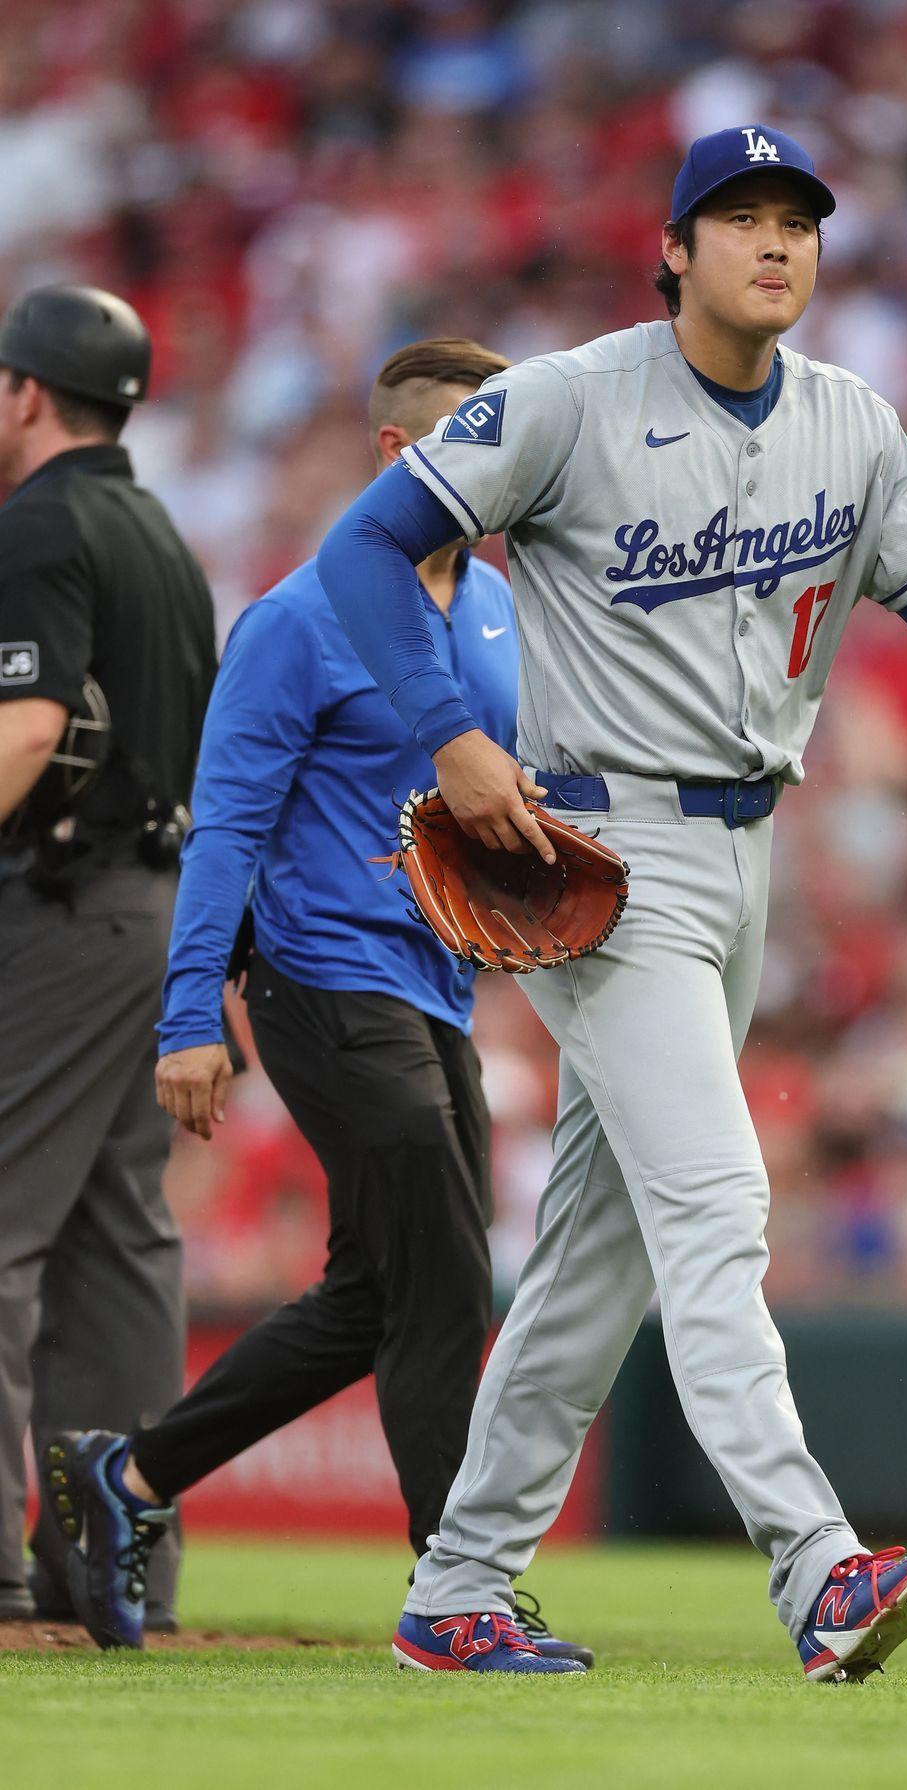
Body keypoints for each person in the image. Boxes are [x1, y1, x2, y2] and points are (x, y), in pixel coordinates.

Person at [315, 124, 907, 1684]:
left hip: (749, 845)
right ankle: (821, 1571)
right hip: (604, 853)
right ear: (677, 247)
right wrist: (452, 734)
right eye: (741, 217)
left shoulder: (852, 421)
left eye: (798, 220)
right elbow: (370, 546)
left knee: (602, 1252)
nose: (776, 242)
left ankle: (459, 1587)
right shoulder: (570, 396)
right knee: (715, 1204)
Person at [41, 338, 591, 1666]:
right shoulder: (299, 616)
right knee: (448, 1280)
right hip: (317, 977)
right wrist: (188, 1017)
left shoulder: (499, 604)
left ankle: (127, 1478)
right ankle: (454, 1591)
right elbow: (224, 822)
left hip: (436, 987)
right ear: (403, 456)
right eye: (477, 436)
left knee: (377, 1288)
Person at [0, 284, 217, 1625]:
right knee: (116, 1243)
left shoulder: (38, 519)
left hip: (68, 905)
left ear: (25, 391)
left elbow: (26, 727)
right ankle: (114, 1562)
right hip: (161, 907)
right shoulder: (159, 530)